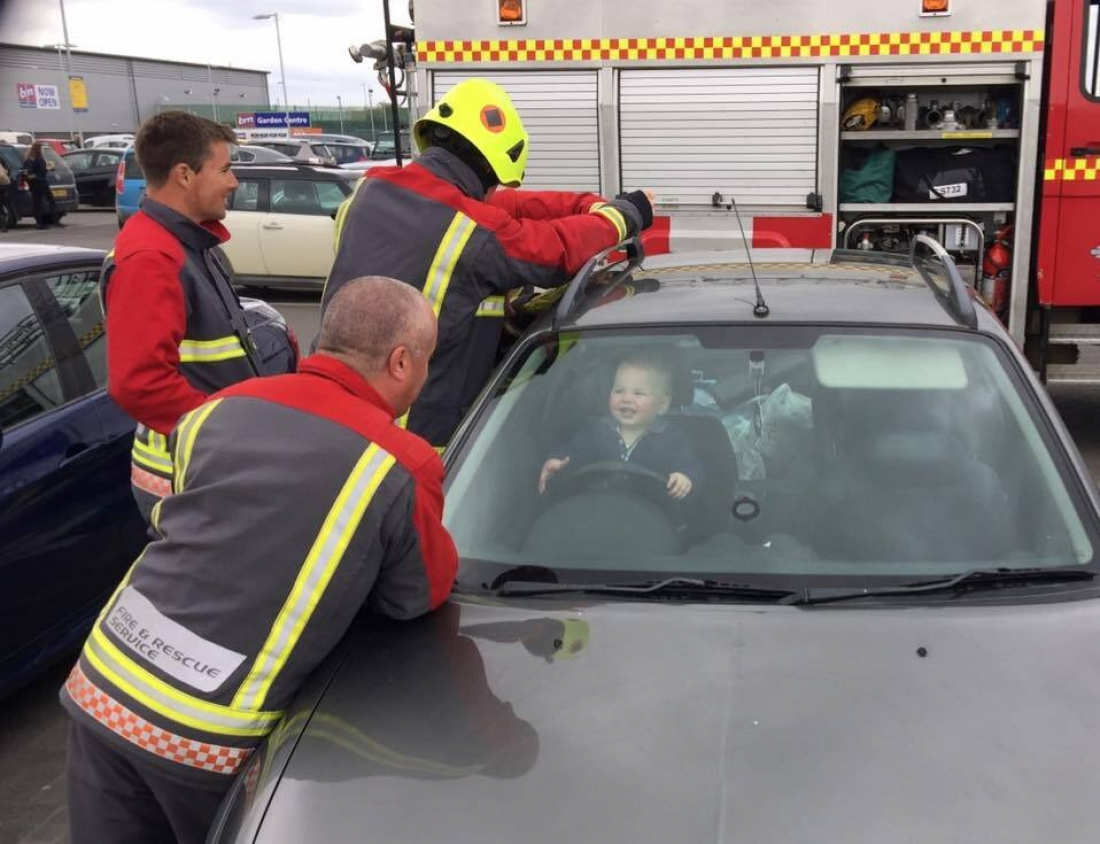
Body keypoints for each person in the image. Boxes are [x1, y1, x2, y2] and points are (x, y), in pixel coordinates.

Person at [60, 276, 459, 844]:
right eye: (427, 360)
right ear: (400, 361)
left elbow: (190, 519)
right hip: (202, 735)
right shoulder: (398, 463)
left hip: (102, 684)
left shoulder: (218, 408)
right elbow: (413, 596)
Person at [322, 77, 655, 450]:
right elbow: (557, 250)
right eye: (496, 183)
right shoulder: (470, 233)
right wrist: (625, 215)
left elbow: (504, 209)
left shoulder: (367, 194)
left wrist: (585, 204)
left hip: (335, 418)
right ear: (487, 170)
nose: (496, 193)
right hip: (414, 439)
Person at [101, 110, 261, 523]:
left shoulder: (186, 245)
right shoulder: (151, 258)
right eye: (224, 169)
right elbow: (139, 383)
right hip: (188, 476)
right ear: (184, 175)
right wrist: (229, 433)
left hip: (206, 466)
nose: (233, 182)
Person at [539, 353, 702, 498]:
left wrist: (685, 477)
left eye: (638, 393)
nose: (627, 398)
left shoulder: (672, 438)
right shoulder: (596, 431)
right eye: (619, 391)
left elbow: (690, 465)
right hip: (598, 510)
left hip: (650, 519)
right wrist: (558, 460)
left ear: (663, 404)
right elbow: (574, 453)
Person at [24, 141, 54, 229]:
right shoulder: (39, 158)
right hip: (41, 182)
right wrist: (49, 168)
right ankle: (51, 220)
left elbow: (25, 171)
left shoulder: (29, 158)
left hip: (32, 184)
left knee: (37, 203)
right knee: (51, 200)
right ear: (39, 149)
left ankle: (39, 222)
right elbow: (42, 171)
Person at [0, 157, 13, 232]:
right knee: (2, 206)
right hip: (2, 186)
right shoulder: (1, 159)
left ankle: (3, 226)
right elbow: (8, 170)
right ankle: (3, 226)